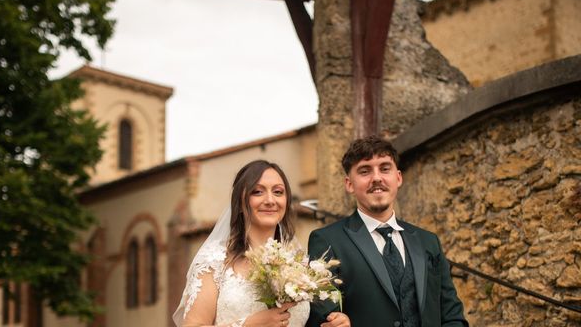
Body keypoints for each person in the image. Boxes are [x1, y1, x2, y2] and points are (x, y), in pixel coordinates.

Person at [306, 136, 469, 327]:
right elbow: (322, 315)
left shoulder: (429, 241)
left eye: (384, 168)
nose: (376, 178)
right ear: (349, 184)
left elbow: (452, 317)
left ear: (398, 178)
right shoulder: (326, 241)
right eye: (365, 171)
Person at [175, 160, 343, 327]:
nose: (270, 200)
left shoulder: (298, 265)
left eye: (278, 192)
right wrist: (248, 325)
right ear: (239, 204)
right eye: (257, 192)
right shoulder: (215, 261)